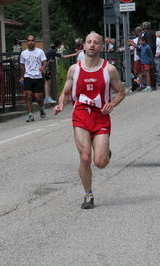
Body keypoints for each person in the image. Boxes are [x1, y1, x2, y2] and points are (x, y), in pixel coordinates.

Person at [53, 32, 125, 209]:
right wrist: (61, 104)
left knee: (100, 162)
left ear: (101, 47)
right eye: (89, 42)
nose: (92, 45)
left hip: (100, 117)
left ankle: (106, 153)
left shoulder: (109, 69)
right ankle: (88, 194)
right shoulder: (74, 69)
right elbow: (65, 91)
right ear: (83, 46)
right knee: (85, 157)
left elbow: (122, 91)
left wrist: (112, 104)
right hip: (81, 115)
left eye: (96, 43)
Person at [19, 35, 47, 122]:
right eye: (29, 41)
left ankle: (41, 108)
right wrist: (22, 76)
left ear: (35, 41)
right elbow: (21, 65)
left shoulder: (40, 52)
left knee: (38, 97)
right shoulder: (23, 53)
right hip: (28, 76)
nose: (30, 42)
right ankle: (30, 115)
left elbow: (45, 62)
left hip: (38, 76)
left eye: (32, 40)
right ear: (26, 42)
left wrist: (43, 67)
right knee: (28, 95)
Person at [142, 22, 157, 90]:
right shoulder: (152, 32)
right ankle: (153, 84)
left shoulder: (147, 34)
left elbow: (150, 44)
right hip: (152, 52)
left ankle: (152, 84)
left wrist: (150, 54)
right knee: (151, 69)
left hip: (148, 54)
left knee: (149, 70)